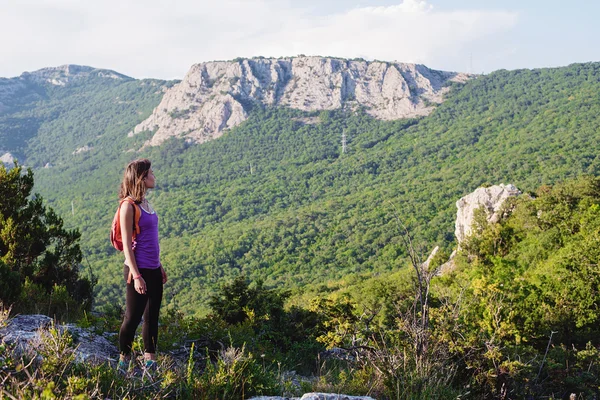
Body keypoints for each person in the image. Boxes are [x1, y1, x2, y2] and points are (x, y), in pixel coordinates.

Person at [117, 158, 167, 373]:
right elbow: (127, 246)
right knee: (132, 318)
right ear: (141, 178)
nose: (154, 176)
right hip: (137, 270)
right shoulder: (128, 206)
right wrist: (136, 276)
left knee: (152, 317)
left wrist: (160, 265)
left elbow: (149, 239)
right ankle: (123, 360)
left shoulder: (146, 203)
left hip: (153, 268)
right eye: (150, 173)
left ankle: (150, 361)